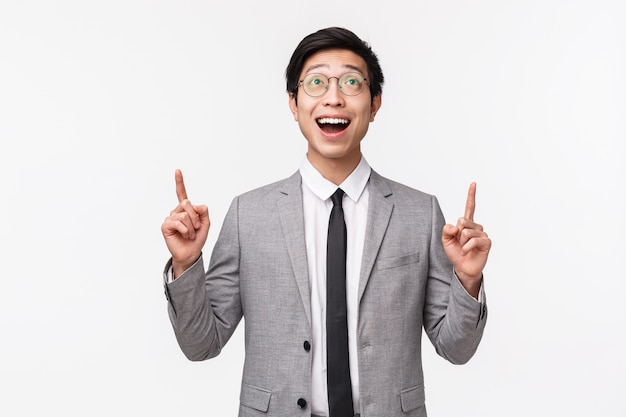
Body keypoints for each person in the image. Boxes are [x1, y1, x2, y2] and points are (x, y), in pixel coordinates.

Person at [161, 27, 491, 417]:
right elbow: (202, 344)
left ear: (375, 103)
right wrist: (185, 265)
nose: (333, 97)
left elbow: (455, 348)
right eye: (316, 82)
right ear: (293, 102)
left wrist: (468, 281)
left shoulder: (418, 214)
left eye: (352, 82)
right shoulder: (248, 215)